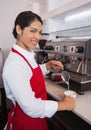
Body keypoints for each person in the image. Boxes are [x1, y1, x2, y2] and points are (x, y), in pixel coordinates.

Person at [2, 11, 75, 130]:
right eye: (33, 31)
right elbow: (31, 107)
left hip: (37, 120)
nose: (38, 37)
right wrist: (64, 105)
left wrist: (47, 66)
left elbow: (29, 73)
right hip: (26, 123)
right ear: (19, 29)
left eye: (40, 32)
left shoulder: (25, 54)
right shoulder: (15, 64)